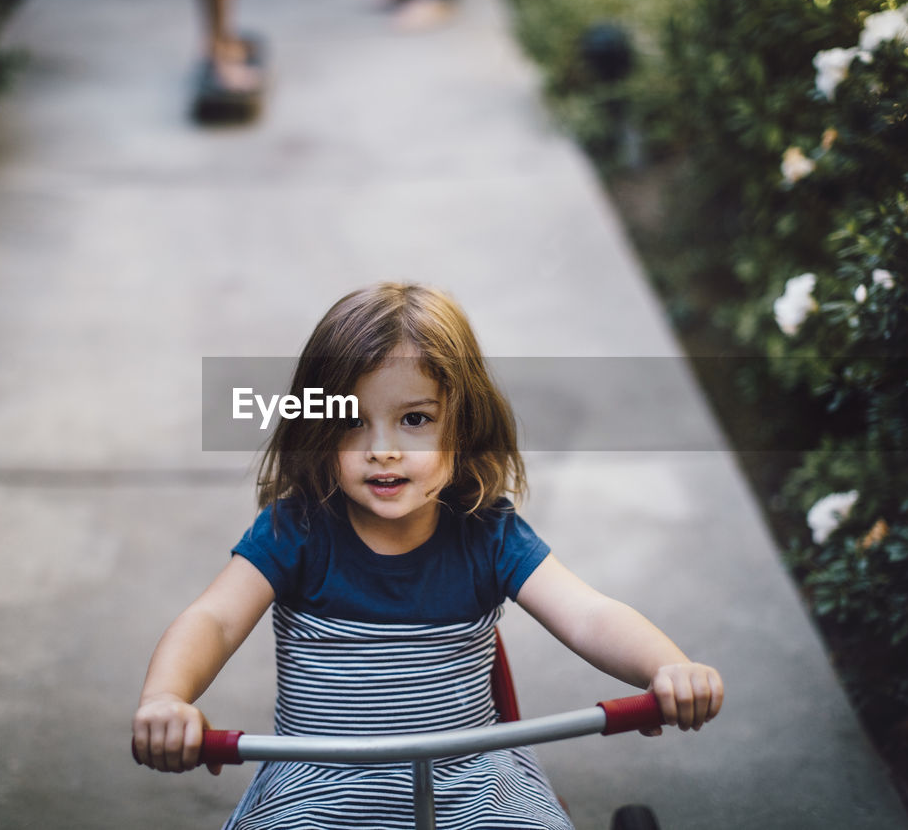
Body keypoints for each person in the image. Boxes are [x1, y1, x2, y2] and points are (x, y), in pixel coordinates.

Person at [132, 282, 724, 828]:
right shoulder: (297, 529)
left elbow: (589, 614)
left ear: (463, 427)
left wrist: (665, 666)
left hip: (472, 780)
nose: (382, 450)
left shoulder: (486, 533)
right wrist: (167, 698)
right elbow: (214, 619)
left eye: (415, 419)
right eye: (351, 424)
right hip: (318, 783)